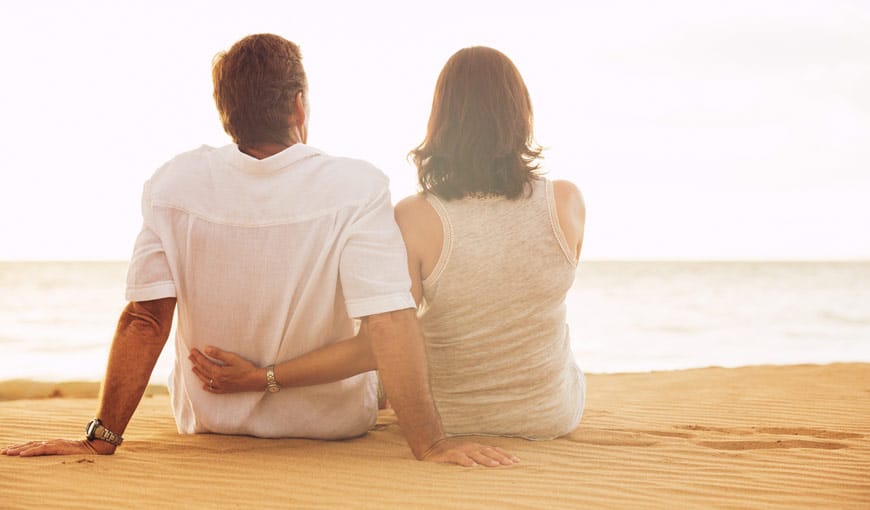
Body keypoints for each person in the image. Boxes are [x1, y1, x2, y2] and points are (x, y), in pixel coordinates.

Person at [1, 34, 516, 468]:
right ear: (298, 105)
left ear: (227, 113)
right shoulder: (356, 186)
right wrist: (431, 445)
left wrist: (102, 437)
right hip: (330, 428)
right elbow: (389, 319)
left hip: (209, 425)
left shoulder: (173, 183)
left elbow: (145, 319)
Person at [186, 46, 586, 440]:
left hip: (449, 419)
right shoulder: (566, 202)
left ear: (440, 120)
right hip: (551, 415)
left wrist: (262, 377)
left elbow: (373, 347)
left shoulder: (416, 216)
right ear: (523, 116)